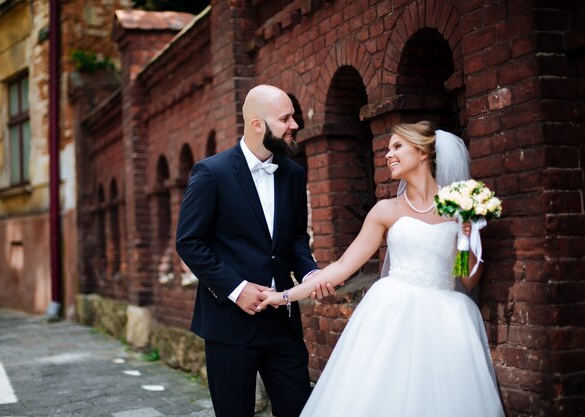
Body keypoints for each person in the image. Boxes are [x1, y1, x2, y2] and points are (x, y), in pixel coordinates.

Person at [258, 121, 506, 417]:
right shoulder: (385, 211)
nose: (388, 155)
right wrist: (284, 296)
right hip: (391, 314)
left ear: (424, 152)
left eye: (397, 147)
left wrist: (465, 237)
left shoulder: (460, 206)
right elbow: (341, 267)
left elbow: (467, 278)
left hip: (447, 320)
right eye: (388, 149)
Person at [176, 84, 334, 417]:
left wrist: (310, 273)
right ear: (257, 124)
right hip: (229, 324)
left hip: (282, 322)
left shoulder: (293, 173)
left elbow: (294, 239)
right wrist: (236, 289)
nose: (294, 125)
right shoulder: (211, 173)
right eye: (286, 118)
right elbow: (189, 242)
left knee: (298, 408)